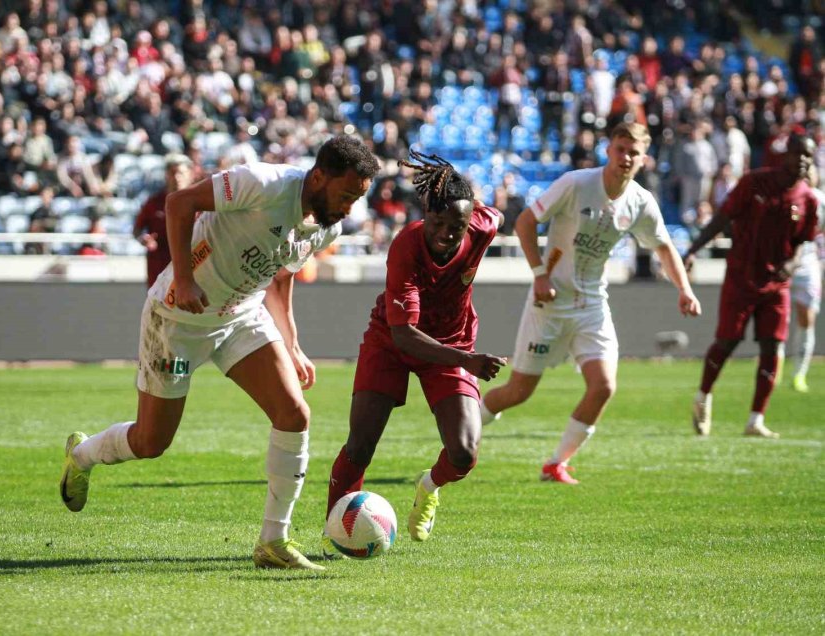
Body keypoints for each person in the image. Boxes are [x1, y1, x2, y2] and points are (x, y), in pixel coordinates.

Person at [59, 135, 380, 572]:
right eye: (345, 196)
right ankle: (82, 455)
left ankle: (273, 541)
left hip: (240, 317)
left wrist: (292, 343)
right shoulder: (263, 183)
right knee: (151, 442)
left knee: (294, 415)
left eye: (356, 200)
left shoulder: (328, 225)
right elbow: (179, 204)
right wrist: (186, 279)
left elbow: (282, 278)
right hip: (178, 316)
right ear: (319, 176)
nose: (349, 209)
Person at [481, 123, 701, 484]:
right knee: (518, 392)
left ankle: (556, 464)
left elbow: (663, 246)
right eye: (620, 148)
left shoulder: (641, 202)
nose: (626, 157)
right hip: (549, 301)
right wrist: (539, 274)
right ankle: (467, 425)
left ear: (643, 158)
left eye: (634, 152)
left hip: (592, 304)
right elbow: (525, 221)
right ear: (608, 149)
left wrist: (685, 289)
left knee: (603, 386)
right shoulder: (576, 183)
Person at [325, 150, 507, 556]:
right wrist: (468, 361)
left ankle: (428, 486)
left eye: (456, 226)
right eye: (438, 223)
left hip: (453, 342)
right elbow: (404, 334)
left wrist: (462, 355)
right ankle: (334, 530)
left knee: (463, 454)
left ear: (470, 219)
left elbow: (495, 215)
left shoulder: (483, 226)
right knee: (360, 445)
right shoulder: (406, 247)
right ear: (427, 214)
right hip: (392, 341)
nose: (446, 233)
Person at [684, 133, 818, 438]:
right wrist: (693, 249)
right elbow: (722, 217)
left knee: (773, 347)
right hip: (741, 277)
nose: (802, 161)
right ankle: (703, 396)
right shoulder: (753, 183)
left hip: (776, 284)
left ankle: (756, 418)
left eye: (808, 156)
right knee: (727, 341)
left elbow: (802, 243)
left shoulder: (808, 199)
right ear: (785, 155)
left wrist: (792, 264)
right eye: (798, 154)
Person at [788, 166, 825, 392]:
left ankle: (799, 374)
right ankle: (774, 366)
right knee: (777, 317)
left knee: (806, 319)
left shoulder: (820, 200)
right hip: (782, 263)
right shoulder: (788, 196)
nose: (808, 175)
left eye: (811, 171)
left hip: (808, 264)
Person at [133, 154, 194, 287]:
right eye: (173, 173)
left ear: (190, 174)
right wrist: (144, 238)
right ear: (166, 175)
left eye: (181, 173)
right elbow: (137, 229)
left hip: (193, 271)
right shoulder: (154, 203)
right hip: (159, 271)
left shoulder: (200, 203)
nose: (177, 178)